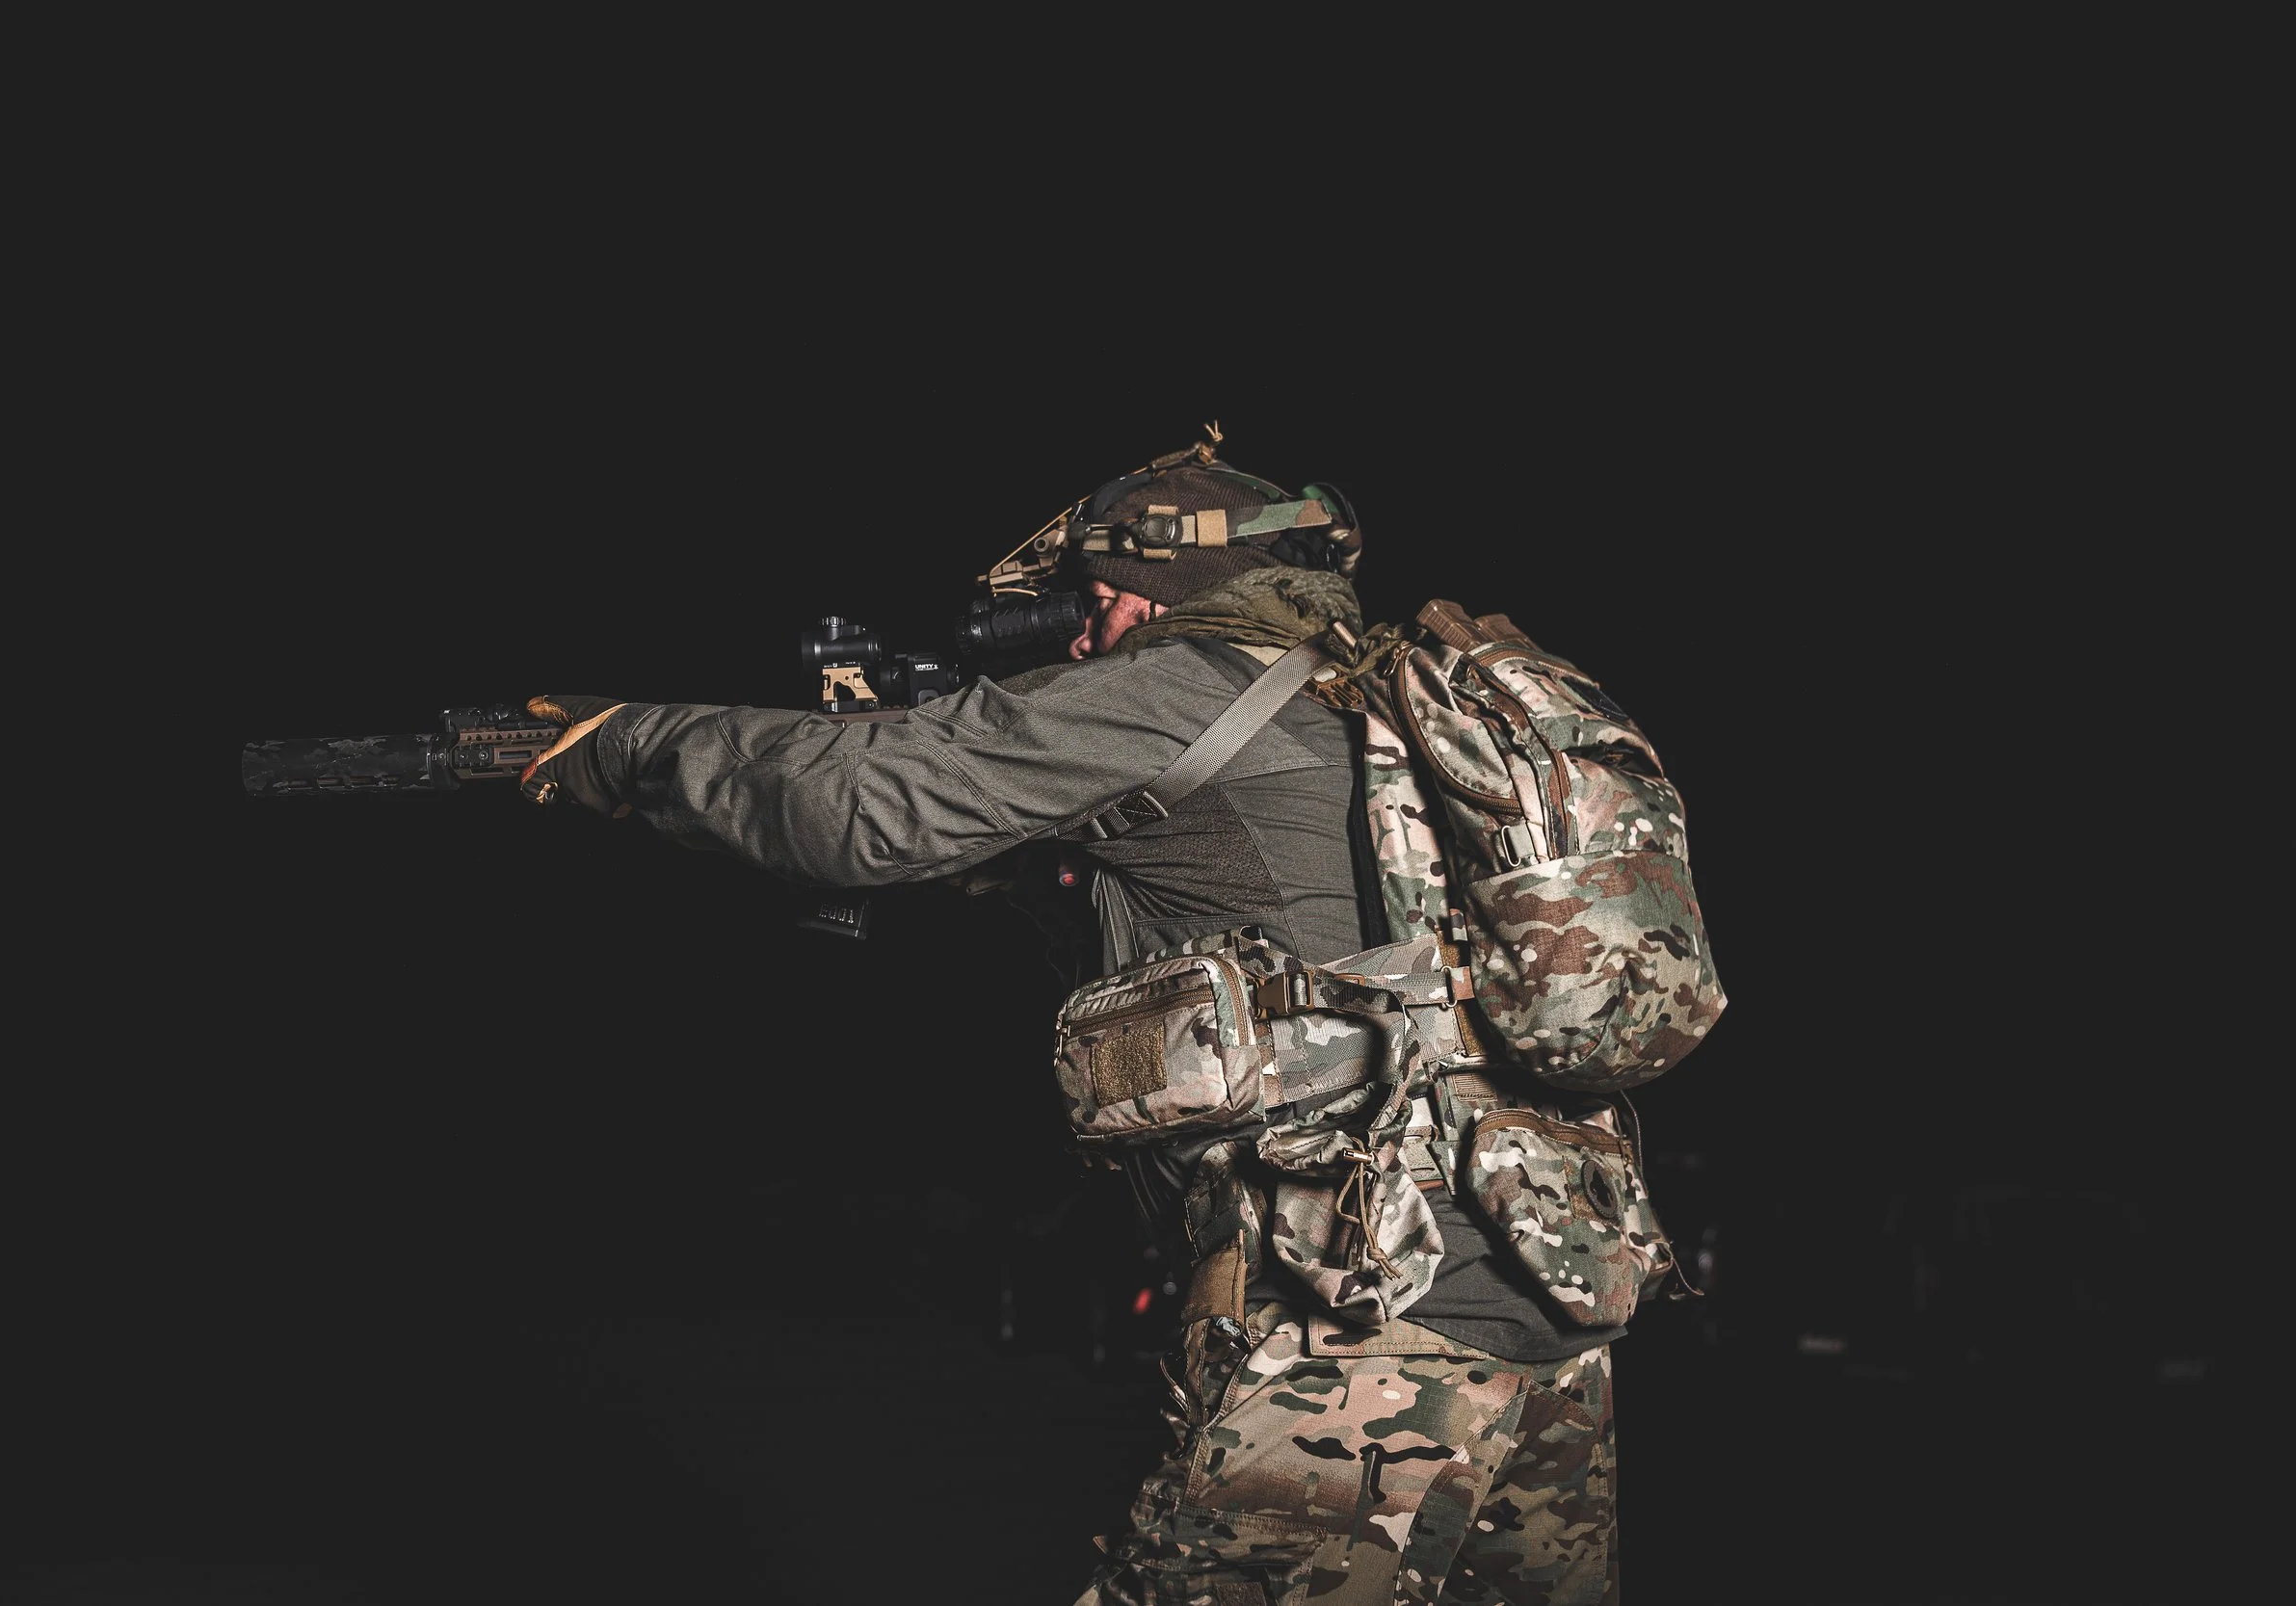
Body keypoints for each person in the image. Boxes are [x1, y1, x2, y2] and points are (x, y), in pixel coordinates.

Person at [520, 444, 1625, 1604]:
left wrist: (623, 741)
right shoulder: (1389, 706)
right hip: (1543, 1291)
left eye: (1099, 604)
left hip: (1364, 1297)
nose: (1085, 638)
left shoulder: (1184, 685)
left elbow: (850, 806)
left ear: (1168, 588)